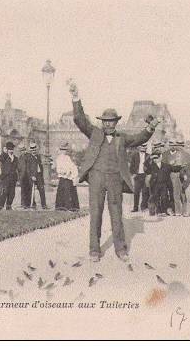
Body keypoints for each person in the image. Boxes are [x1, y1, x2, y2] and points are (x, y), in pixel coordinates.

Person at [69, 80, 157, 262]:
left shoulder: (122, 138)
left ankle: (120, 249)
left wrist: (150, 129)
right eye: (106, 122)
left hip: (115, 179)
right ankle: (94, 250)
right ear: (102, 122)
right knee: (95, 214)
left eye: (112, 122)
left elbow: (139, 138)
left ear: (116, 123)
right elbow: (79, 119)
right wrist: (75, 97)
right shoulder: (94, 132)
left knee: (117, 215)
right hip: (96, 178)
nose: (109, 125)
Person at [145, 150, 183, 216]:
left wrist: (184, 166)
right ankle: (158, 211)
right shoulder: (151, 166)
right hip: (155, 185)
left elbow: (175, 168)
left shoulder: (166, 166)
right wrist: (149, 158)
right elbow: (146, 166)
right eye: (153, 158)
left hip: (164, 185)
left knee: (164, 198)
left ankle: (163, 211)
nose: (155, 160)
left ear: (160, 157)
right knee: (156, 198)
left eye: (156, 158)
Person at [163, 139, 190, 215]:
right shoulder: (168, 154)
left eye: (176, 144)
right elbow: (167, 166)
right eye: (172, 144)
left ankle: (185, 211)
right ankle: (178, 211)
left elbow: (188, 166)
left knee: (184, 193)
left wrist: (186, 174)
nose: (175, 146)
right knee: (175, 193)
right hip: (173, 175)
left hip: (184, 174)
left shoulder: (186, 154)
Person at [54, 142, 80, 211]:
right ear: (61, 150)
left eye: (65, 150)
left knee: (70, 191)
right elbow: (58, 169)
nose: (64, 151)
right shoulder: (59, 158)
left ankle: (72, 207)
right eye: (63, 150)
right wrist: (65, 172)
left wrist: (72, 173)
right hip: (63, 177)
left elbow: (72, 166)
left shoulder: (67, 157)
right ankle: (62, 206)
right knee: (63, 192)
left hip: (69, 177)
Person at [129, 143, 150, 212]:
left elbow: (151, 167)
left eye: (144, 147)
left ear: (146, 148)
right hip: (137, 176)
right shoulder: (134, 155)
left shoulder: (148, 156)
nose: (143, 148)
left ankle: (143, 207)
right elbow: (131, 166)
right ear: (139, 147)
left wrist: (149, 174)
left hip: (145, 175)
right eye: (142, 146)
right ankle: (135, 208)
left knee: (145, 192)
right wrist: (133, 174)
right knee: (136, 192)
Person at [26, 142, 47, 209]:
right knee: (32, 191)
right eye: (32, 150)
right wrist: (32, 176)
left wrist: (41, 174)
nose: (34, 151)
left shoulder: (38, 156)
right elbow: (28, 168)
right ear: (30, 150)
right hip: (33, 176)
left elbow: (40, 166)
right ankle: (33, 204)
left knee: (42, 189)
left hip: (39, 175)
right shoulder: (28, 157)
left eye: (35, 150)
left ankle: (44, 205)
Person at [0, 142, 19, 210]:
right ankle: (0, 206)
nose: (11, 150)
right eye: (9, 149)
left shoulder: (15, 158)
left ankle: (8, 205)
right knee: (5, 192)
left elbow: (17, 167)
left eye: (12, 149)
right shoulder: (4, 157)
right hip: (6, 177)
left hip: (13, 178)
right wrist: (4, 152)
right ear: (7, 149)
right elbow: (0, 158)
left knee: (12, 193)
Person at [16, 144, 30, 208]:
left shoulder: (29, 156)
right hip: (22, 176)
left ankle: (28, 203)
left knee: (28, 190)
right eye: (21, 151)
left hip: (28, 176)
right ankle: (23, 203)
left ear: (25, 150)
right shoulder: (20, 158)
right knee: (23, 190)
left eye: (23, 150)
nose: (22, 152)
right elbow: (18, 168)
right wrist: (19, 178)